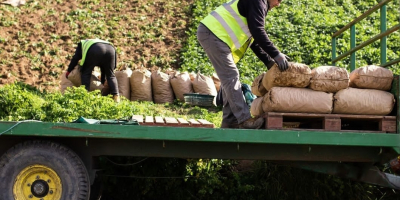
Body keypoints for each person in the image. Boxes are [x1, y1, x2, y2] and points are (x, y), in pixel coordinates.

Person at [197, 0, 290, 129]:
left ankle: (230, 121)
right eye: (278, 0)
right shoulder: (258, 2)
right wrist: (276, 54)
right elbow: (258, 31)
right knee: (231, 76)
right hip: (213, 34)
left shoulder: (259, 4)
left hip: (215, 34)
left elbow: (253, 39)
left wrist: (268, 60)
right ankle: (244, 119)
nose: (278, 4)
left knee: (228, 79)